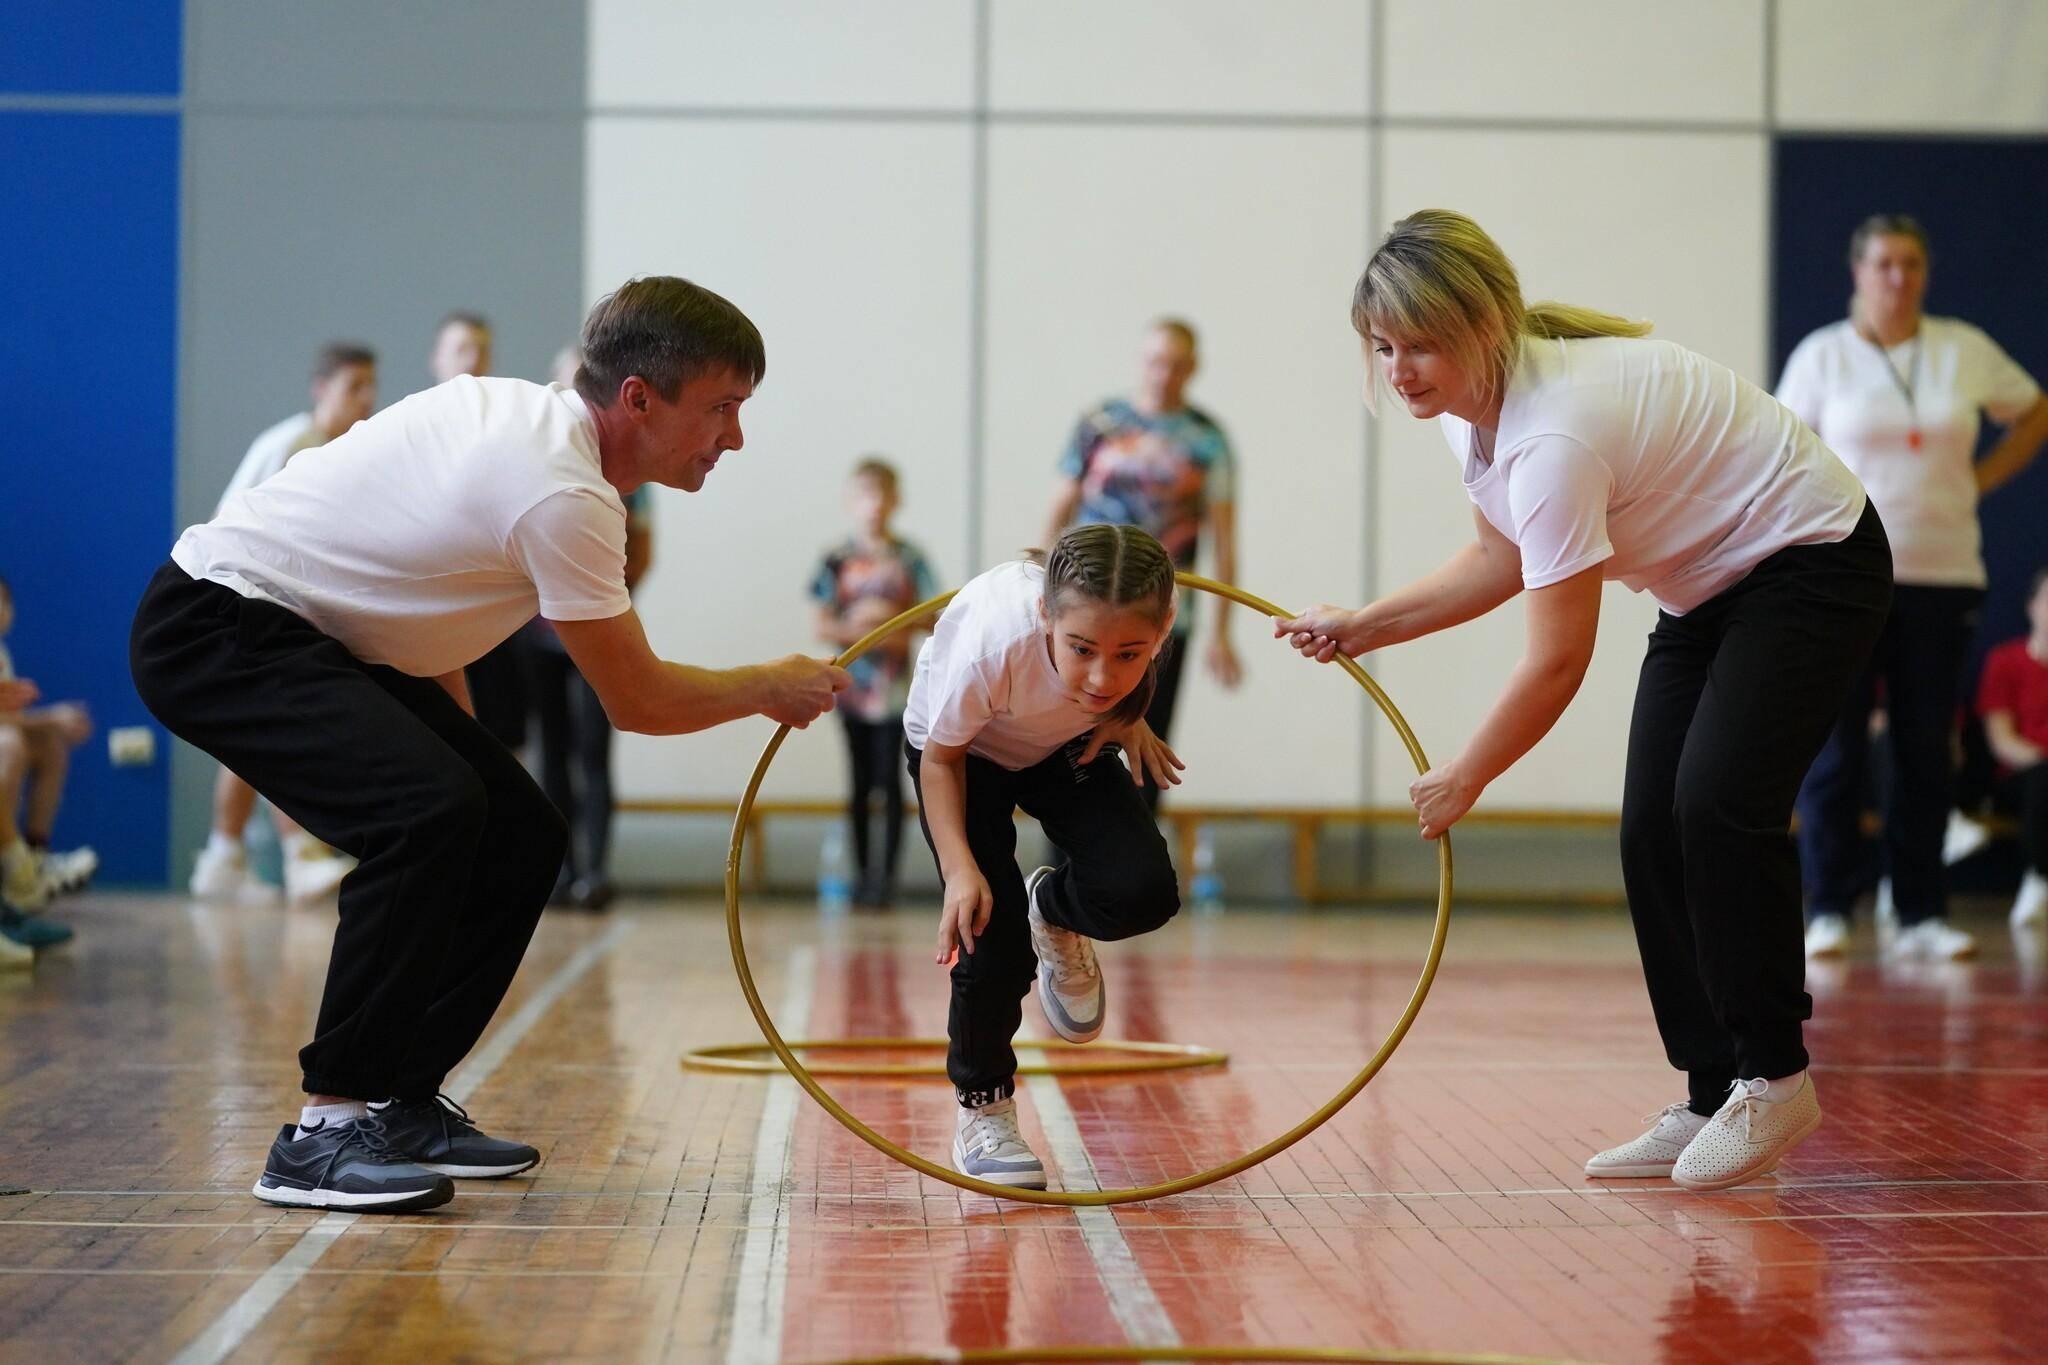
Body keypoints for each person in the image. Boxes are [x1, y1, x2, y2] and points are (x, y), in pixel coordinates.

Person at [130, 277, 848, 1212]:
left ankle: (398, 1098)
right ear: (638, 398)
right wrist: (768, 686)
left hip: (314, 636)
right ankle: (327, 1127)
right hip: (218, 623)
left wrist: (461, 759)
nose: (734, 438)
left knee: (518, 831)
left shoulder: (528, 420)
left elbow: (417, 604)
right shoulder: (564, 491)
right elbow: (636, 699)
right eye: (721, 410)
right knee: (426, 811)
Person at [1278, 209, 1889, 1193]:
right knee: (1652, 826)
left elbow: (1556, 661)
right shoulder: (1472, 414)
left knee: (1717, 807)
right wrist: (1365, 625)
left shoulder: (1553, 434)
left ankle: (1773, 1075)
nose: (1398, 370)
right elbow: (1497, 559)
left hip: (1809, 564)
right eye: (1383, 347)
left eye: (1420, 343)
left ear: (1483, 324)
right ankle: (1707, 1091)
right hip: (1705, 588)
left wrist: (1464, 773)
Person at [1778, 215, 2048, 962]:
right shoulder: (1822, 357)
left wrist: (1980, 478)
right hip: (1844, 577)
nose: (1899, 278)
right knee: (1837, 749)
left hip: (1944, 574)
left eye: (1912, 265)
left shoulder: (1962, 348)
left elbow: (2031, 411)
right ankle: (1829, 904)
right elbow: (1779, 451)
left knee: (1926, 748)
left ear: (1925, 274)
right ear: (1857, 272)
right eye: (1885, 264)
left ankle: (1919, 911)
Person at [905, 523, 1184, 1188]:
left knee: (1144, 888)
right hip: (961, 755)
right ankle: (985, 1108)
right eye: (1081, 648)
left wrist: (1127, 714)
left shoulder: (1130, 647)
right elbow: (939, 761)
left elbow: (1112, 672)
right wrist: (959, 869)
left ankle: (1052, 908)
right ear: (1044, 617)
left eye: (1129, 654)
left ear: (1162, 630)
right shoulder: (994, 646)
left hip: (1061, 744)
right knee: (989, 931)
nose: (1101, 673)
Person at [190, 342, 377, 905]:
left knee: (254, 733)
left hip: (288, 610)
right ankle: (299, 853)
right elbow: (239, 528)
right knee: (276, 727)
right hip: (243, 603)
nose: (368, 398)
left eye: (373, 385)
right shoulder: (290, 445)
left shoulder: (348, 452)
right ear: (321, 390)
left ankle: (224, 857)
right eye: (354, 387)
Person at [1040, 319, 1242, 809]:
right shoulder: (1102, 424)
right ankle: (1063, 868)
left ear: (1192, 368)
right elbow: (1058, 512)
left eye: (1175, 365)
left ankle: (1137, 857)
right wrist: (1043, 592)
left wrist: (1220, 631)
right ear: (1141, 361)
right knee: (1068, 737)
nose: (1163, 374)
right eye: (1155, 361)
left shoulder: (1206, 439)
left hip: (1163, 618)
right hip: (1087, 607)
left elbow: (1224, 540)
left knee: (1144, 737)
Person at [518, 345, 650, 912]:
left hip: (595, 627)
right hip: (538, 634)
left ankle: (595, 869)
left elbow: (642, 549)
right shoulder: (537, 455)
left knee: (594, 752)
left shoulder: (625, 468)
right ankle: (557, 869)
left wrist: (604, 597)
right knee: (551, 751)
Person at [810, 457, 939, 910]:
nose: (874, 505)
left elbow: (935, 614)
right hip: (851, 690)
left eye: (883, 493)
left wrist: (889, 621)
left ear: (896, 499)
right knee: (860, 784)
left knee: (891, 780)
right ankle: (863, 876)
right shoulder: (837, 560)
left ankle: (886, 879)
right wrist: (860, 628)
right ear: (851, 501)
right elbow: (823, 623)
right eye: (865, 493)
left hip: (898, 690)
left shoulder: (909, 558)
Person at [431, 312, 529, 752]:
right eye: (461, 348)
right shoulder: (412, 430)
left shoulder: (510, 432)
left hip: (495, 612)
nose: (472, 360)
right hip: (431, 612)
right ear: (437, 359)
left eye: (482, 349)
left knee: (502, 739)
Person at [1977, 566, 2048, 929]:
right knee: (2043, 780)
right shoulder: (2005, 660)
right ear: (2032, 605)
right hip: (2019, 777)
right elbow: (2001, 740)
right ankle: (2039, 879)